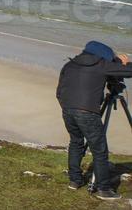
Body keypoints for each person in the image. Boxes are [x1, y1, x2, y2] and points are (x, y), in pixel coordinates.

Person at [56, 41, 132, 199]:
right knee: (99, 150)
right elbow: (129, 71)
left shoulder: (70, 64)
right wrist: (123, 62)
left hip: (67, 109)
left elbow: (59, 91)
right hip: (87, 112)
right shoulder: (101, 64)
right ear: (103, 55)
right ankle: (104, 189)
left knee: (76, 143)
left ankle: (74, 181)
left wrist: (69, 106)